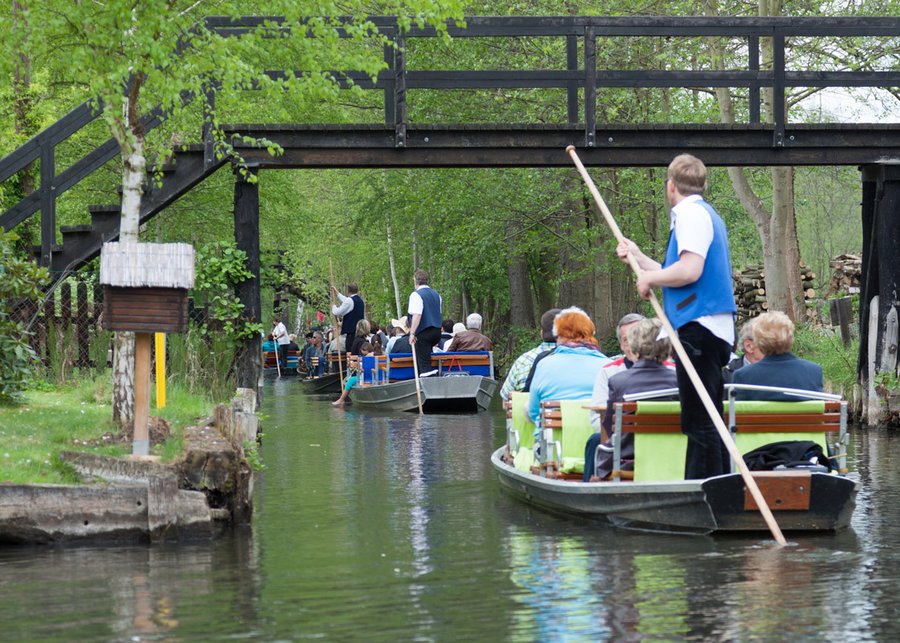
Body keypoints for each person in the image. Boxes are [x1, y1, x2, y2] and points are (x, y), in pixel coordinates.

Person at [616, 153, 736, 480]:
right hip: (704, 327)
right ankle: (716, 488)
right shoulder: (701, 214)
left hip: (700, 328)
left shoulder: (690, 215)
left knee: (699, 421)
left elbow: (689, 271)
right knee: (704, 417)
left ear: (671, 187)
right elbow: (676, 271)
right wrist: (638, 258)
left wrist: (649, 280)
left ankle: (705, 492)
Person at [584, 318, 679, 481]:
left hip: (628, 459)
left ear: (635, 345)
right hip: (673, 454)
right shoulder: (679, 380)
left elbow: (608, 425)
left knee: (596, 445)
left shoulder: (619, 381)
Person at [526, 307, 610, 426]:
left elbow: (533, 413)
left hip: (554, 442)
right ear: (591, 334)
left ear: (559, 335)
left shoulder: (544, 364)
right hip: (597, 440)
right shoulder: (608, 366)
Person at [733, 311, 824, 400]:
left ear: (759, 341)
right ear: (791, 337)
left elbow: (737, 413)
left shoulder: (744, 376)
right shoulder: (814, 372)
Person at [589, 313, 646, 430]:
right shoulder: (609, 372)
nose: (633, 344)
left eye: (638, 337)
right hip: (620, 438)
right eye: (626, 339)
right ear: (621, 345)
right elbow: (596, 418)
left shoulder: (671, 371)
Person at [499, 308, 561, 402]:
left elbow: (505, 401)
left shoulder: (523, 361)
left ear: (541, 333)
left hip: (527, 415)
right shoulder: (579, 361)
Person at [407, 269, 442, 377]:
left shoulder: (416, 295)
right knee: (423, 357)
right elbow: (439, 313)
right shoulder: (437, 295)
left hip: (424, 332)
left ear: (415, 280)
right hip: (436, 331)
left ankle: (427, 383)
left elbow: (417, 315)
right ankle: (425, 377)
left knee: (424, 363)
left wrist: (412, 333)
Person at [332, 341, 374, 406]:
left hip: (364, 377)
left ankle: (341, 399)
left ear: (364, 350)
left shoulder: (364, 358)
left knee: (350, 381)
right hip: (373, 377)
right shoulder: (374, 356)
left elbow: (362, 369)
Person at [331, 283, 366, 351]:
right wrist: (337, 293)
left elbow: (337, 312)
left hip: (351, 333)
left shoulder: (350, 301)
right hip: (360, 332)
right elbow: (347, 301)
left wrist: (333, 307)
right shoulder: (360, 301)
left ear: (348, 291)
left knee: (351, 353)